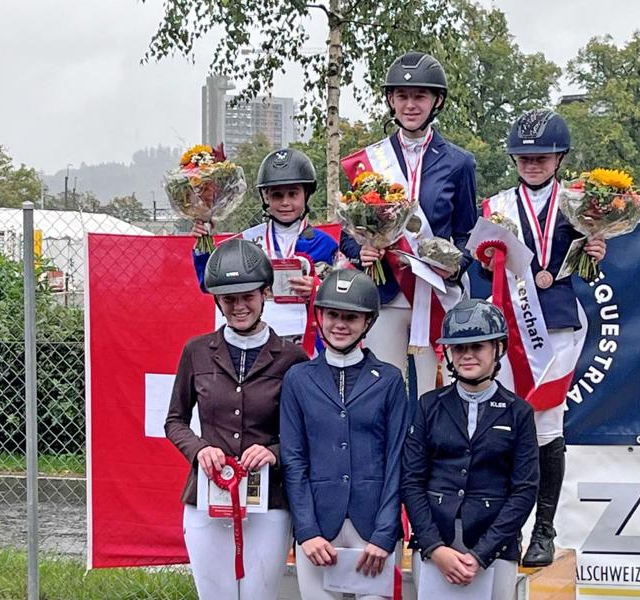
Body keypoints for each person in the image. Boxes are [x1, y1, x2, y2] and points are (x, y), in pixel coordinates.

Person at [479, 109, 606, 567]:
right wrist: (485, 255)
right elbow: (481, 263)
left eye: (542, 155)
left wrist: (597, 248)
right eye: (524, 155)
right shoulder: (496, 206)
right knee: (509, 427)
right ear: (514, 157)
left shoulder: (580, 202)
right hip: (509, 328)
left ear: (559, 158)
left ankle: (545, 530)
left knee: (548, 428)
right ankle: (507, 528)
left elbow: (592, 263)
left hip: (555, 325)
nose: (532, 163)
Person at [166, 238, 309, 599]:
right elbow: (175, 420)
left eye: (247, 296)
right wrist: (199, 450)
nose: (239, 306)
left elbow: (305, 433)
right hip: (206, 497)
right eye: (229, 299)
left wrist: (273, 452)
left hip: (270, 503)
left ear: (265, 294)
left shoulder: (292, 358)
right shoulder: (196, 351)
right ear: (218, 301)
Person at [340, 51, 477, 400]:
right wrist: (363, 252)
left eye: (420, 96)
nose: (411, 104)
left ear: (437, 101)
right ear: (391, 100)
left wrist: (455, 264)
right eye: (402, 96)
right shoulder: (368, 162)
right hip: (385, 293)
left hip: (435, 294)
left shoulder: (459, 162)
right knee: (380, 393)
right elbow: (348, 233)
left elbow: (467, 233)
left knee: (436, 395)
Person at [281, 268, 409, 599]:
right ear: (319, 317)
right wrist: (306, 530)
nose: (340, 324)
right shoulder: (298, 378)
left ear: (367, 322)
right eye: (333, 314)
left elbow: (398, 459)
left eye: (351, 317)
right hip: (319, 528)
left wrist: (385, 532)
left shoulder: (390, 379)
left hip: (373, 529)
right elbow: (294, 459)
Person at [401, 299, 538, 598]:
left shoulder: (519, 412)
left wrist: (481, 554)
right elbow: (411, 480)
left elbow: (525, 489)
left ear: (497, 349)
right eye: (459, 348)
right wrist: (435, 547)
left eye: (477, 346)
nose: (467, 355)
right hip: (435, 541)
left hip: (494, 544)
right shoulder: (428, 405)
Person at [193, 147, 339, 341]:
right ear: (266, 198)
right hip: (257, 338)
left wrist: (317, 288)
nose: (285, 202)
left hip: (309, 342)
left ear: (306, 194)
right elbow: (208, 283)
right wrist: (203, 244)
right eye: (277, 195)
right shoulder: (246, 241)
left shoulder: (325, 244)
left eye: (293, 194)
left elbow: (340, 295)